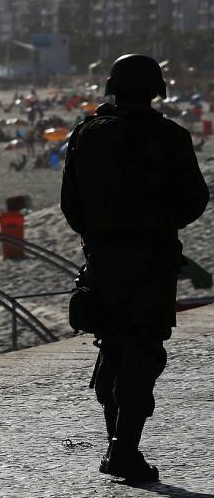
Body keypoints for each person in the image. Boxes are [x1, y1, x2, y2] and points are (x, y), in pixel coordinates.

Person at [61, 54, 209, 483]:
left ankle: (116, 448)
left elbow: (71, 204)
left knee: (113, 345)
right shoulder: (171, 136)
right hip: (153, 261)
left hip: (103, 259)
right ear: (155, 92)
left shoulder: (87, 134)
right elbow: (194, 202)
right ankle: (124, 450)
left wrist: (99, 234)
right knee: (143, 351)